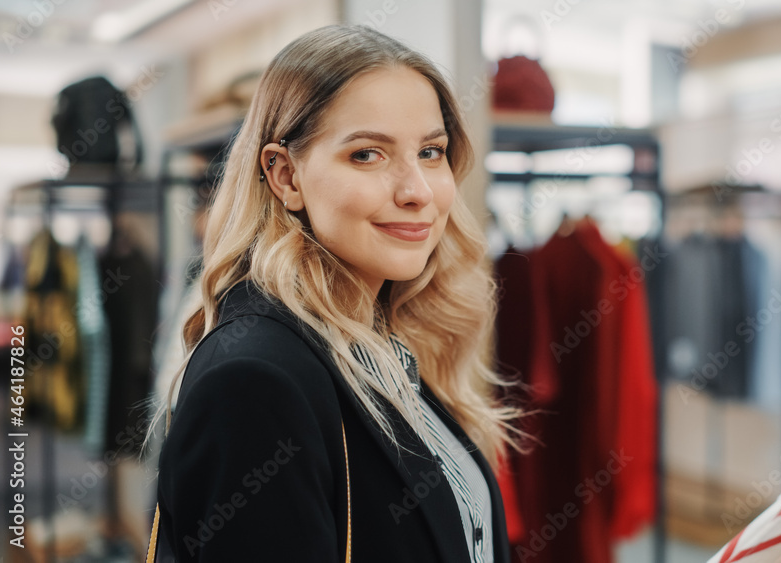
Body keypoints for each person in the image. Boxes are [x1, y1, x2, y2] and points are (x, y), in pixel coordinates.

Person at [151, 24, 521, 562]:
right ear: (285, 177)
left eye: (431, 152)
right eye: (368, 155)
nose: (416, 190)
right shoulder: (254, 381)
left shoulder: (376, 344)